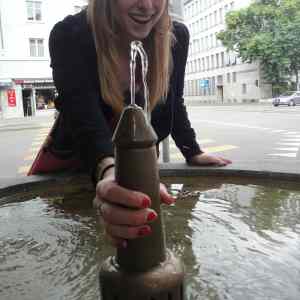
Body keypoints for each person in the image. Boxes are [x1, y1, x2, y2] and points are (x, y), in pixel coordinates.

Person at [47, 0, 232, 248]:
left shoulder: (176, 36)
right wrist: (110, 172)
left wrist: (192, 150)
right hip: (78, 158)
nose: (147, 6)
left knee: (142, 240)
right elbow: (82, 116)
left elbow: (174, 99)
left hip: (140, 156)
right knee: (80, 244)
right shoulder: (69, 34)